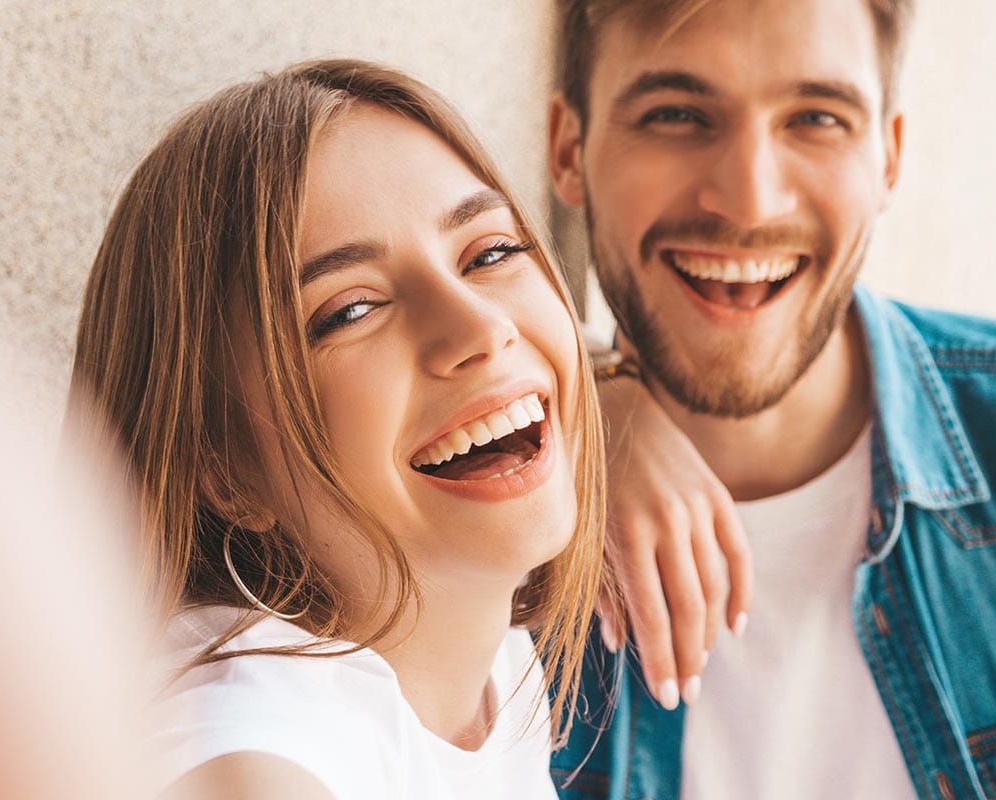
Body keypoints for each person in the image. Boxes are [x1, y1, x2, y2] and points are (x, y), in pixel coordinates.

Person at [545, 1, 996, 798]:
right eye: (676, 114)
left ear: (888, 158)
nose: (750, 201)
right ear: (568, 149)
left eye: (815, 118)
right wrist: (582, 400)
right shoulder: (501, 547)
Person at [68, 58, 607, 800]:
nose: (481, 329)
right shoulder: (251, 741)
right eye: (350, 311)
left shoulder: (495, 667)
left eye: (490, 253)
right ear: (223, 469)